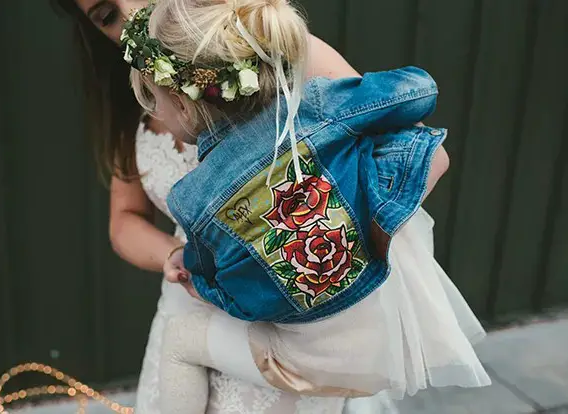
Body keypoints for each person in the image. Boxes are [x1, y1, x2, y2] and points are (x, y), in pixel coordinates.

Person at [52, 0, 421, 412]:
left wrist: (328, 244)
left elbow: (406, 149)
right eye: (107, 16)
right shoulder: (133, 97)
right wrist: (174, 257)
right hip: (189, 299)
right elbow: (125, 221)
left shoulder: (276, 51)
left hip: (289, 312)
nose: (134, 14)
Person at [126, 0, 491, 413]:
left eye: (154, 101)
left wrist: (207, 282)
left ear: (184, 103)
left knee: (180, 339)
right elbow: (419, 93)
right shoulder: (316, 108)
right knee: (412, 155)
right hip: (388, 336)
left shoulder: (194, 196)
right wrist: (351, 216)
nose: (154, 113)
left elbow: (231, 296)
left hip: (303, 364)